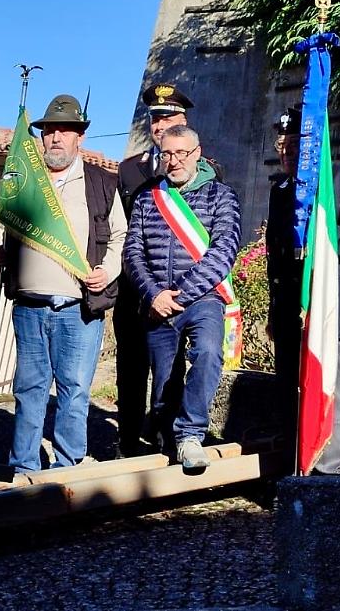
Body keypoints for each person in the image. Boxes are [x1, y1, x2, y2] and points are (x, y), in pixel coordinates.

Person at [0, 94, 126, 472]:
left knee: (74, 391)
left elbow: (121, 236)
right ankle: (23, 467)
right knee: (28, 390)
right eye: (49, 131)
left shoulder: (102, 183)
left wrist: (109, 270)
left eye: (64, 131)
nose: (55, 138)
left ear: (79, 138)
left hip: (79, 309)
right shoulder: (24, 180)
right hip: (29, 306)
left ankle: (68, 466)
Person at [124, 125, 241, 469]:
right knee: (162, 387)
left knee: (207, 352)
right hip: (157, 303)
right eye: (167, 154)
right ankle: (167, 445)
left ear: (197, 153)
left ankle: (191, 434)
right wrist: (153, 294)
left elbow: (224, 251)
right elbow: (133, 253)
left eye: (181, 154)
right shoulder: (148, 197)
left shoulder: (221, 196)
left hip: (203, 299)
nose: (173, 161)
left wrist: (183, 294)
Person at [265, 107, 340, 474]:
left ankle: (330, 468)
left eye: (295, 148)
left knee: (330, 388)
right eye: (282, 148)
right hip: (289, 309)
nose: (287, 156)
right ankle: (293, 463)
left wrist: (323, 232)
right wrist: (272, 310)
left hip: (329, 308)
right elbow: (275, 256)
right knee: (287, 390)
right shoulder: (280, 190)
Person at [114, 83, 222, 457]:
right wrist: (149, 289)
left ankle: (170, 444)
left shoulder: (210, 175)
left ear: (183, 121)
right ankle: (127, 443)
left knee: (183, 365)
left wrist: (184, 293)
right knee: (134, 370)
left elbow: (214, 240)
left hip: (190, 289)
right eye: (155, 118)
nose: (160, 124)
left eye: (168, 117)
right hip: (142, 288)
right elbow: (124, 233)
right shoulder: (130, 170)